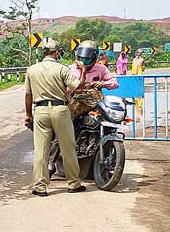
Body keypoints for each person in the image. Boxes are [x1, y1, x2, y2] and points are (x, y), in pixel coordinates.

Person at [24, 38, 87, 196]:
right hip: (60, 110)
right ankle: (73, 184)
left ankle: (40, 187)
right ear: (57, 52)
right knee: (68, 149)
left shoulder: (32, 69)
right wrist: (83, 71)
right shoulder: (62, 69)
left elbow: (28, 95)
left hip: (40, 111)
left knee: (41, 150)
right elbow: (77, 88)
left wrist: (28, 115)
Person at [69, 40, 119, 118]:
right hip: (75, 105)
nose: (83, 62)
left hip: (95, 104)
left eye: (86, 59)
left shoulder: (101, 69)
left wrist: (103, 84)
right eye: (81, 59)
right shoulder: (70, 69)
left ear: (94, 58)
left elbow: (115, 83)